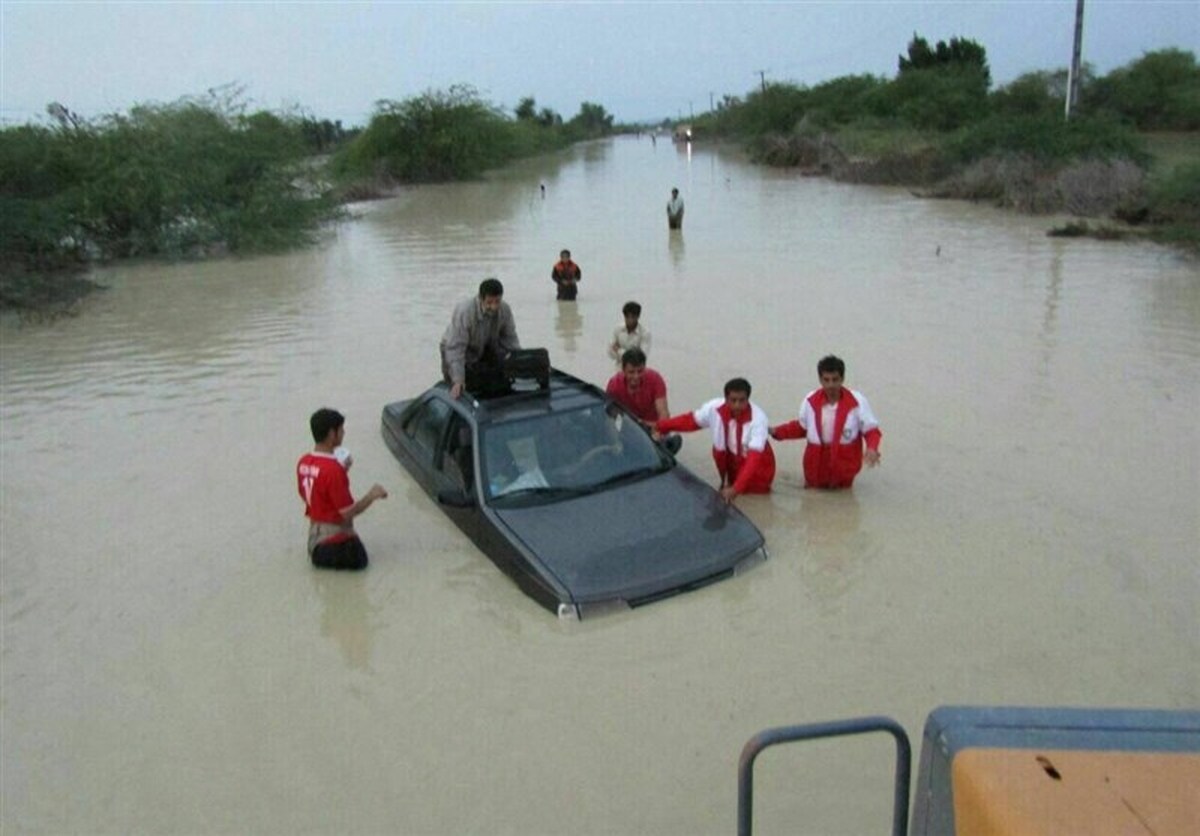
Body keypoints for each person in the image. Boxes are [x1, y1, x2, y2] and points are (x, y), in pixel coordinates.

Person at [655, 377, 775, 503]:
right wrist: (660, 426)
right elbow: (690, 421)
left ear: (748, 399)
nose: (737, 405)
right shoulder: (713, 408)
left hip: (758, 470)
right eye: (733, 400)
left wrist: (735, 489)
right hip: (730, 462)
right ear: (726, 399)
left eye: (742, 401)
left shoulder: (758, 420)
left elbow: (753, 460)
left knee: (756, 502)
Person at [769, 355, 882, 489]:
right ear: (820, 380)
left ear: (842, 379)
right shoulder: (810, 400)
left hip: (844, 466)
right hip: (815, 464)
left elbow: (871, 431)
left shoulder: (858, 402)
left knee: (843, 501)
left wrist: (872, 448)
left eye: (835, 380)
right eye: (826, 380)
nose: (831, 385)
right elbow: (801, 427)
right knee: (812, 501)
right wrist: (776, 432)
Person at [297, 408, 387, 570]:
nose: (344, 433)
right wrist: (372, 495)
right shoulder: (333, 470)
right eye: (341, 429)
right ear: (332, 434)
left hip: (315, 542)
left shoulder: (304, 462)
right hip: (336, 547)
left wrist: (342, 471)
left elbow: (315, 494)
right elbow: (347, 512)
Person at [440, 278, 521, 399]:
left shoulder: (505, 310)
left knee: (490, 385)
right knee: (458, 390)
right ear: (480, 298)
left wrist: (522, 361)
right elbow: (456, 349)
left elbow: (510, 340)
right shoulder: (465, 311)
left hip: (484, 346)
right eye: (489, 302)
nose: (494, 307)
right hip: (454, 349)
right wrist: (458, 380)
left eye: (497, 301)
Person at [606, 348, 668, 425]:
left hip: (653, 428)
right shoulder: (614, 385)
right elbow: (610, 416)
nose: (636, 376)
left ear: (645, 368)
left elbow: (663, 415)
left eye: (640, 371)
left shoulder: (655, 380)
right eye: (631, 372)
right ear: (623, 370)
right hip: (627, 428)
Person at [608, 300, 652, 364]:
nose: (630, 320)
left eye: (632, 317)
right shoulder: (618, 329)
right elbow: (610, 352)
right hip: (619, 368)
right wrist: (630, 353)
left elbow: (641, 357)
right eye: (627, 317)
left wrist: (619, 351)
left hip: (636, 370)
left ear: (638, 317)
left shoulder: (645, 333)